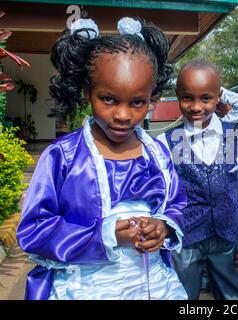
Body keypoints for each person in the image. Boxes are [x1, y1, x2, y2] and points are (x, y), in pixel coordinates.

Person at [16, 17, 187, 300]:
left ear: (151, 98)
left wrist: (164, 226)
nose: (122, 115)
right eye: (108, 99)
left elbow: (176, 204)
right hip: (84, 289)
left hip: (152, 286)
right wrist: (106, 235)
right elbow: (35, 230)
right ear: (87, 92)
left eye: (137, 102)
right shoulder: (63, 157)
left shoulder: (157, 155)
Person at [156, 59, 238, 300]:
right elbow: (162, 193)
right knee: (181, 296)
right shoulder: (166, 142)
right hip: (186, 239)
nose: (196, 107)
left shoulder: (236, 136)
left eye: (205, 98)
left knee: (235, 296)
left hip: (228, 239)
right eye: (187, 98)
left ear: (218, 97)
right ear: (177, 96)